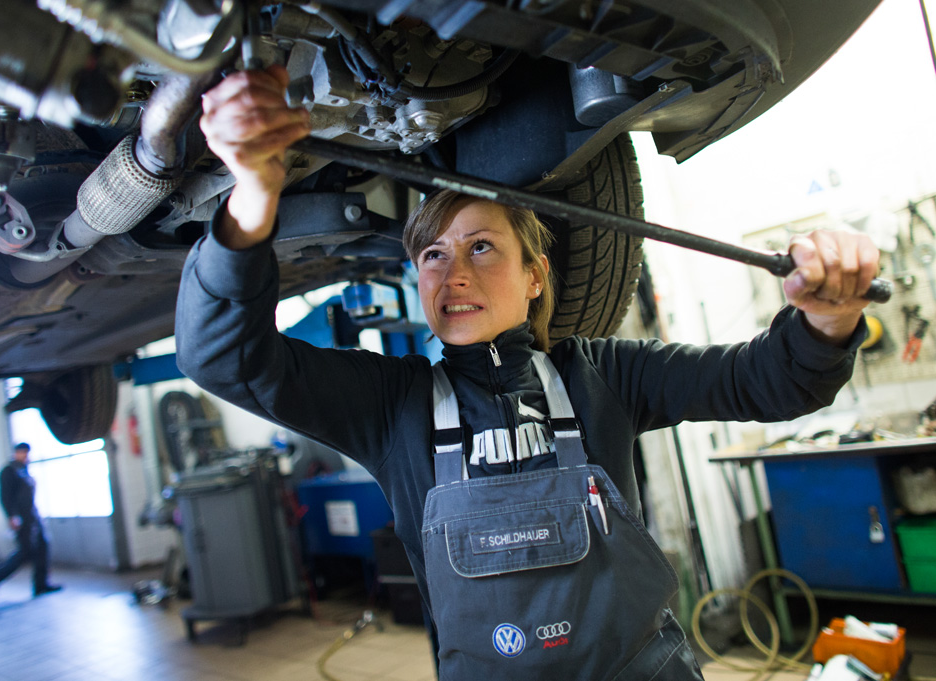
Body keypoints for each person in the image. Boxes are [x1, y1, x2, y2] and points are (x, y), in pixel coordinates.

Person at [175, 67, 879, 680]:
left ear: (536, 275)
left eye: (482, 247)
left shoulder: (602, 374)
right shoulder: (394, 407)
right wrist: (251, 200)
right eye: (433, 256)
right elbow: (222, 355)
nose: (455, 275)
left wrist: (825, 320)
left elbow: (769, 381)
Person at [0, 443, 61, 598]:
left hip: (33, 516)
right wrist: (12, 516)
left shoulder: (24, 470)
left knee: (42, 547)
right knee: (25, 552)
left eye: (27, 453)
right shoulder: (9, 471)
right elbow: (5, 496)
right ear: (16, 453)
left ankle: (41, 585)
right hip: (22, 518)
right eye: (22, 453)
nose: (25, 456)